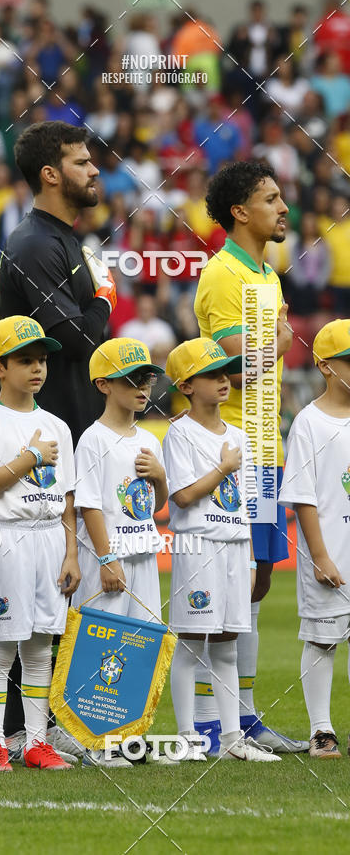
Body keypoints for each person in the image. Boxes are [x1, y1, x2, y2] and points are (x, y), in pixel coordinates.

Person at [0, 120, 115, 749]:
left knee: (63, 589)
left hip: (74, 425)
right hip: (48, 432)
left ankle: (48, 721)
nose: (94, 170)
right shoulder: (33, 244)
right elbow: (77, 337)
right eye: (81, 161)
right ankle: (18, 728)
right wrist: (104, 299)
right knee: (41, 588)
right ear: (50, 174)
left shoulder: (68, 239)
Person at [193, 161, 308, 754]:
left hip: (266, 446)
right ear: (240, 212)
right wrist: (281, 339)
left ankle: (243, 717)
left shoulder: (266, 274)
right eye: (271, 198)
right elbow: (231, 368)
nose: (284, 208)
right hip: (232, 449)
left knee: (258, 581)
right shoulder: (222, 274)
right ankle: (211, 723)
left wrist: (276, 341)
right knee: (230, 584)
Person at [0, 315, 80, 771]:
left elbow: (67, 497)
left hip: (49, 538)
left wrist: (72, 553)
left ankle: (36, 742)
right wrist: (30, 457)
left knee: (39, 648)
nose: (37, 369)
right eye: (25, 360)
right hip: (6, 537)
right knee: (0, 647)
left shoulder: (57, 425)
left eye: (42, 360)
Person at [163, 338, 280, 763]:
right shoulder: (179, 433)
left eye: (224, 372)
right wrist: (224, 467)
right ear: (186, 386)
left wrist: (249, 559)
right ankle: (188, 738)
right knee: (192, 644)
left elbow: (244, 504)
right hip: (200, 546)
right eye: (211, 375)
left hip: (233, 546)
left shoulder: (239, 435)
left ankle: (232, 739)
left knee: (228, 644)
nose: (223, 380)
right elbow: (182, 495)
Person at [72, 338, 168, 768]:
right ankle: (95, 740)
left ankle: (128, 735)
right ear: (103, 385)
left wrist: (160, 476)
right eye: (131, 379)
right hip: (109, 558)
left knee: (141, 644)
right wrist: (106, 558)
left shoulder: (148, 439)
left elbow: (156, 505)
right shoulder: (93, 439)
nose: (142, 388)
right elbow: (89, 504)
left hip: (143, 553)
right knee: (103, 643)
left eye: (146, 379)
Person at [280, 320, 350, 759]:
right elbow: (303, 496)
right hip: (330, 552)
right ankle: (321, 730)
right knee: (323, 638)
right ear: (325, 366)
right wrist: (320, 556)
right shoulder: (309, 422)